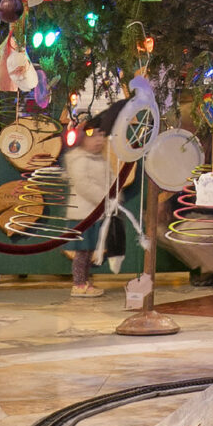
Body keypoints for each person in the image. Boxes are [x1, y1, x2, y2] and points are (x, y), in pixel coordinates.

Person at [63, 114, 116, 296]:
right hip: (83, 215)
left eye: (102, 136)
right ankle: (78, 284)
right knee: (82, 252)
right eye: (94, 136)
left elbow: (110, 179)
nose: (99, 140)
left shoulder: (100, 159)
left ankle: (85, 281)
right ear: (83, 139)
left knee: (89, 251)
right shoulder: (78, 159)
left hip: (96, 214)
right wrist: (103, 200)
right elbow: (83, 184)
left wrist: (115, 195)